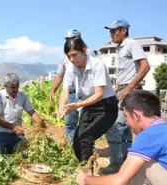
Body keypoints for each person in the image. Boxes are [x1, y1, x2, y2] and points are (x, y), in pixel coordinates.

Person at [76, 90, 167, 185]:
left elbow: (119, 181)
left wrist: (87, 179)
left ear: (136, 115)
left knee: (139, 166)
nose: (126, 122)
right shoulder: (162, 126)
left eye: (126, 116)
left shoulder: (148, 135)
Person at [100, 19, 151, 174]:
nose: (111, 34)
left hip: (131, 91)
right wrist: (118, 86)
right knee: (127, 128)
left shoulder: (131, 44)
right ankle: (125, 161)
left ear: (123, 31)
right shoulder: (120, 48)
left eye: (114, 31)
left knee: (114, 126)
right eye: (110, 31)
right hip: (123, 89)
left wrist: (128, 87)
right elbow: (127, 72)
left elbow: (145, 66)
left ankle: (116, 164)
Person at [58, 36, 118, 162]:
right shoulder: (70, 68)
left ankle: (87, 174)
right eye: (69, 56)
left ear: (84, 50)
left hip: (106, 107)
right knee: (76, 142)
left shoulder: (97, 64)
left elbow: (99, 94)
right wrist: (62, 107)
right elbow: (65, 90)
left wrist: (78, 105)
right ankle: (84, 167)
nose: (72, 59)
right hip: (89, 106)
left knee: (86, 138)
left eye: (74, 55)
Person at [0, 73, 44, 154]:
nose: (16, 90)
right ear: (5, 86)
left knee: (26, 155)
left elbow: (32, 112)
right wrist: (12, 127)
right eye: (12, 87)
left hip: (16, 134)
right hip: (0, 133)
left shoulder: (22, 96)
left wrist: (40, 123)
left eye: (17, 87)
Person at [49, 29, 82, 142]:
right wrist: (53, 90)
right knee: (69, 122)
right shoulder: (64, 58)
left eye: (71, 39)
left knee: (86, 123)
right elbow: (60, 76)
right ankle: (71, 148)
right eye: (67, 39)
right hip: (71, 93)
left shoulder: (89, 54)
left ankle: (84, 148)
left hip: (85, 94)